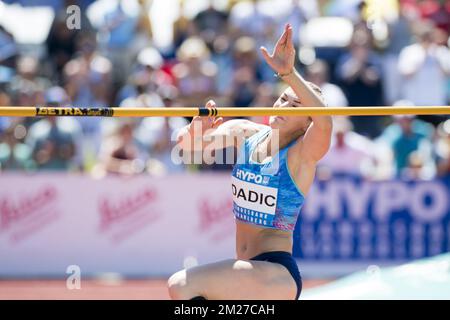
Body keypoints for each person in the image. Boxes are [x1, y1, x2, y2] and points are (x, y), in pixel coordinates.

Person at [168, 24, 332, 300]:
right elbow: (188, 145)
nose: (282, 107)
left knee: (181, 285)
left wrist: (288, 74)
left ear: (307, 123)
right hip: (246, 270)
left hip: (275, 273)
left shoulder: (302, 155)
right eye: (282, 99)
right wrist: (194, 129)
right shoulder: (246, 133)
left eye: (295, 106)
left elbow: (325, 121)